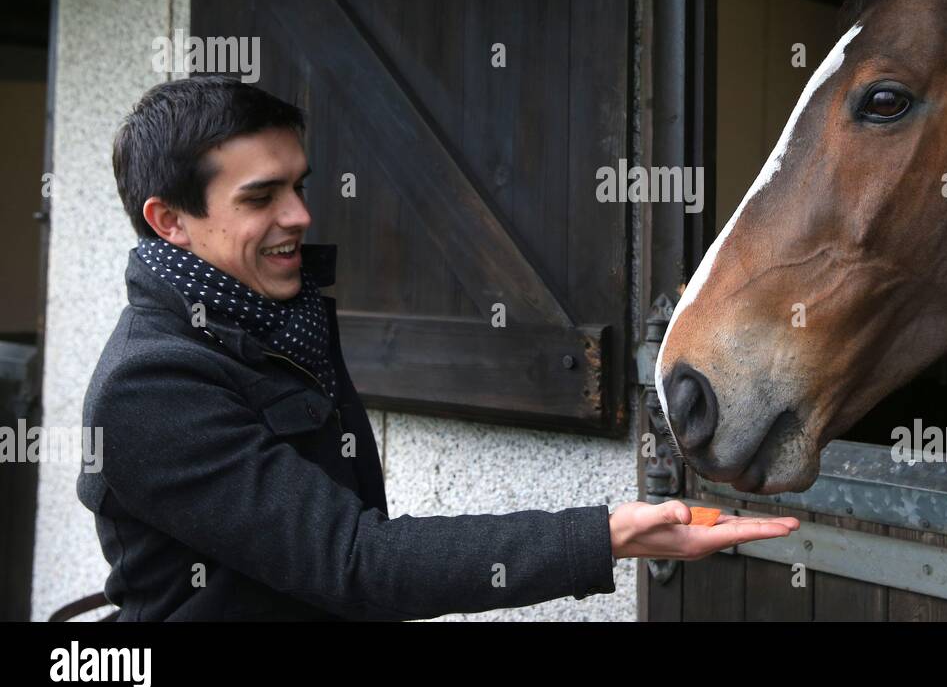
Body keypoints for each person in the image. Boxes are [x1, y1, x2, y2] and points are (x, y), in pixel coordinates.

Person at [77, 76, 798, 620]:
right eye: (261, 197)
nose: (300, 215)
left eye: (299, 186)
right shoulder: (151, 384)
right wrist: (603, 536)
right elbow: (354, 560)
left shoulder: (270, 318)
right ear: (169, 220)